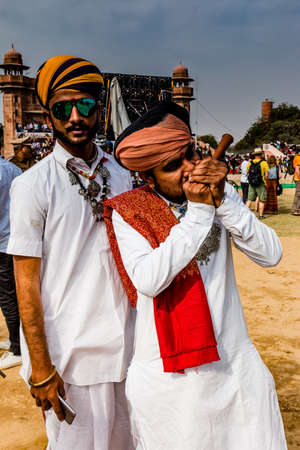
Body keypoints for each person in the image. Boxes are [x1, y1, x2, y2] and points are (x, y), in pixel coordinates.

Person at [103, 102, 287, 450]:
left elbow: (271, 254)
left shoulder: (219, 194)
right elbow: (149, 279)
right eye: (173, 166)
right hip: (171, 382)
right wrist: (200, 213)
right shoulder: (129, 212)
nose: (189, 169)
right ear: (148, 177)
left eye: (189, 155)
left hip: (234, 369)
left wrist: (224, 203)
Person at [7, 55, 135, 449]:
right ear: (49, 118)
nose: (75, 117)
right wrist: (42, 366)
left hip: (130, 350)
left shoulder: (122, 174)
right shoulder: (32, 186)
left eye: (86, 106)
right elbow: (25, 284)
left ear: (101, 112)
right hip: (71, 357)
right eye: (64, 108)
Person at [0, 157, 22, 370]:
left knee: (7, 297)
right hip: (15, 240)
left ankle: (17, 348)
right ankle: (17, 338)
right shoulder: (14, 170)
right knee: (15, 294)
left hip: (2, 242)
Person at [246, 148, 269, 219]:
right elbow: (266, 175)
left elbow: (247, 173)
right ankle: (260, 215)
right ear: (261, 154)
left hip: (251, 183)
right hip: (261, 183)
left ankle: (245, 215)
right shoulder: (264, 163)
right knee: (262, 200)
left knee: (249, 199)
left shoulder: (250, 163)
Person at [291, 148, 300, 215]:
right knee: (298, 194)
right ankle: (294, 210)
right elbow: (297, 169)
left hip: (297, 178)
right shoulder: (298, 157)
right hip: (298, 178)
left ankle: (297, 209)